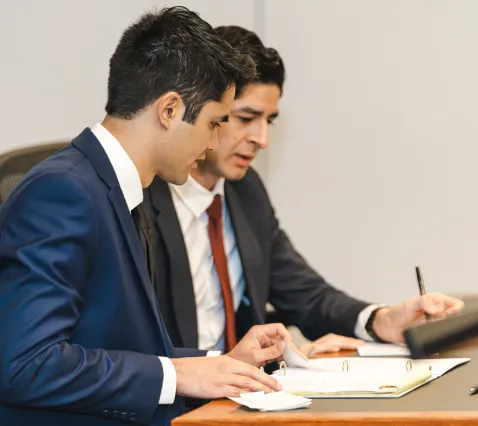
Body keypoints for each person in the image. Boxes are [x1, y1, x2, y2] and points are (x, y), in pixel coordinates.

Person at [0, 10, 297, 426]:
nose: (213, 142)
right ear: (170, 110)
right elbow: (25, 364)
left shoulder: (115, 187)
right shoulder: (63, 192)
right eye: (214, 123)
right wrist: (175, 375)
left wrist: (220, 363)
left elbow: (116, 346)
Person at [144, 26, 464, 358]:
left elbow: (306, 296)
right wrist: (221, 367)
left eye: (270, 121)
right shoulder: (142, 198)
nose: (261, 139)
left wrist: (381, 320)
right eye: (246, 118)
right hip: (172, 401)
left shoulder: (246, 191)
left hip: (237, 400)